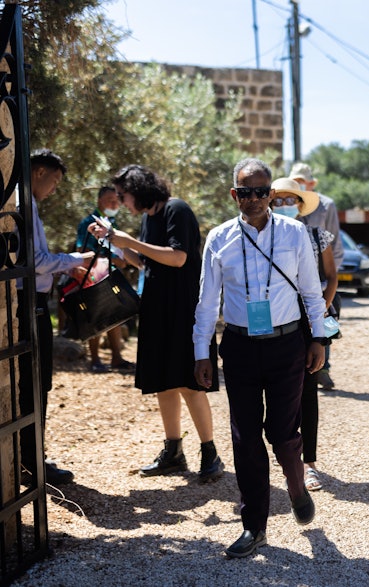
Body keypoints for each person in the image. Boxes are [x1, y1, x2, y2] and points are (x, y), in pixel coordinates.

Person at [193, 158, 328, 559]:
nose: (253, 199)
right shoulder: (218, 238)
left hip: (287, 345)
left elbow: (310, 291)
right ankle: (255, 526)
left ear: (271, 193)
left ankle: (296, 482)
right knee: (244, 436)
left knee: (284, 435)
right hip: (239, 346)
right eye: (244, 192)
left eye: (261, 191)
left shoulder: (294, 233)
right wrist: (202, 353)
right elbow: (206, 303)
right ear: (234, 194)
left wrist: (317, 337)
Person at [88, 164, 224, 483]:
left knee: (189, 383)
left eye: (123, 195)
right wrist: (114, 243)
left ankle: (210, 452)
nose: (121, 201)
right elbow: (146, 262)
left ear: (138, 189)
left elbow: (178, 258)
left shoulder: (177, 210)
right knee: (163, 381)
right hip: (157, 309)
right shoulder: (150, 218)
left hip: (182, 310)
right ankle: (173, 452)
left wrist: (131, 242)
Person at [17, 149, 95, 485]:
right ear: (38, 172)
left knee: (37, 382)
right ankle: (32, 461)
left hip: (31, 299)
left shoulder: (27, 203)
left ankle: (31, 456)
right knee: (35, 382)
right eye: (55, 180)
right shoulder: (24, 203)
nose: (54, 188)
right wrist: (74, 258)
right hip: (27, 302)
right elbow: (36, 260)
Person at [269, 177, 337, 491]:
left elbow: (331, 277)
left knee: (308, 392)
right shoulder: (260, 236)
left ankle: (308, 464)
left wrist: (320, 311)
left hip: (308, 321)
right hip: (271, 323)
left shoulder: (315, 235)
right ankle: (285, 458)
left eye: (289, 200)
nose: (284, 205)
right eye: (278, 199)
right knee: (274, 392)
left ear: (300, 204)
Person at [289, 162, 342, 391]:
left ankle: (324, 369)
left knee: (324, 322)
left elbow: (333, 244)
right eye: (296, 180)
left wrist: (329, 281)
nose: (300, 184)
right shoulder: (287, 213)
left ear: (311, 184)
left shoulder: (326, 206)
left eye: (303, 180)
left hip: (322, 279)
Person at [74, 186, 134, 373]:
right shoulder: (88, 222)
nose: (114, 203)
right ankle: (95, 360)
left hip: (110, 275)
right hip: (94, 276)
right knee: (96, 315)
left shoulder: (111, 222)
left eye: (116, 200)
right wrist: (116, 259)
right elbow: (83, 252)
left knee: (114, 315)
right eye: (110, 199)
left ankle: (116, 358)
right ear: (99, 201)